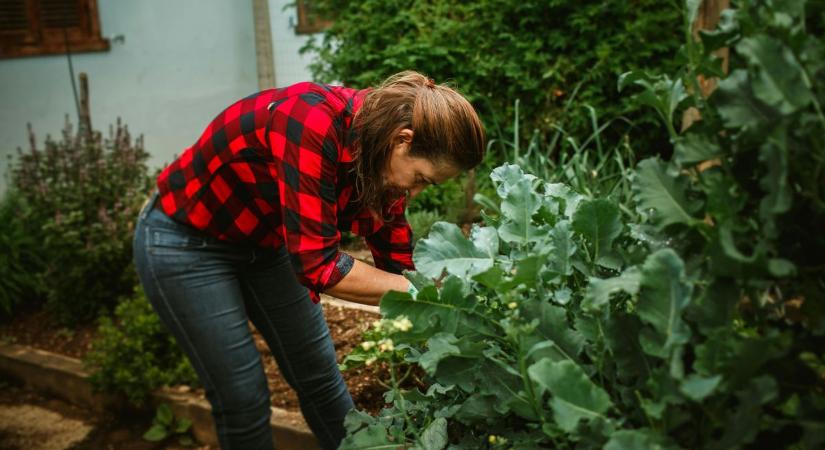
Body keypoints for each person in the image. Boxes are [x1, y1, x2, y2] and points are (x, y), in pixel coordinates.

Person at [132, 71, 485, 449]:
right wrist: (425, 292)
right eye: (421, 179)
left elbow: (396, 257)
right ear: (403, 140)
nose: (414, 191)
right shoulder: (310, 123)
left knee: (320, 378)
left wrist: (446, 320)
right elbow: (319, 265)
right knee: (243, 397)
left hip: (266, 243)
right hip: (187, 242)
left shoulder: (381, 150)